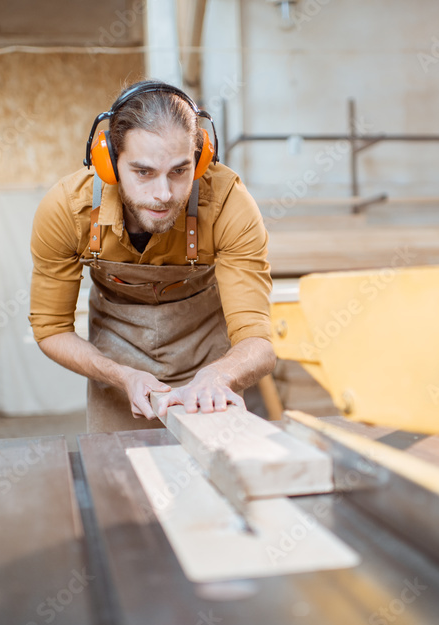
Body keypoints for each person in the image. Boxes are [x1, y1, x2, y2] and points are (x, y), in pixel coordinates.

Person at [28, 80, 275, 433]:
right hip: (116, 372)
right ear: (109, 163)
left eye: (179, 171)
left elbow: (258, 342)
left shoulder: (228, 204)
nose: (163, 194)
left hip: (209, 367)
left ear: (200, 159)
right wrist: (120, 375)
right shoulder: (66, 210)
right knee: (119, 480)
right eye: (143, 172)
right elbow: (51, 329)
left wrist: (220, 375)